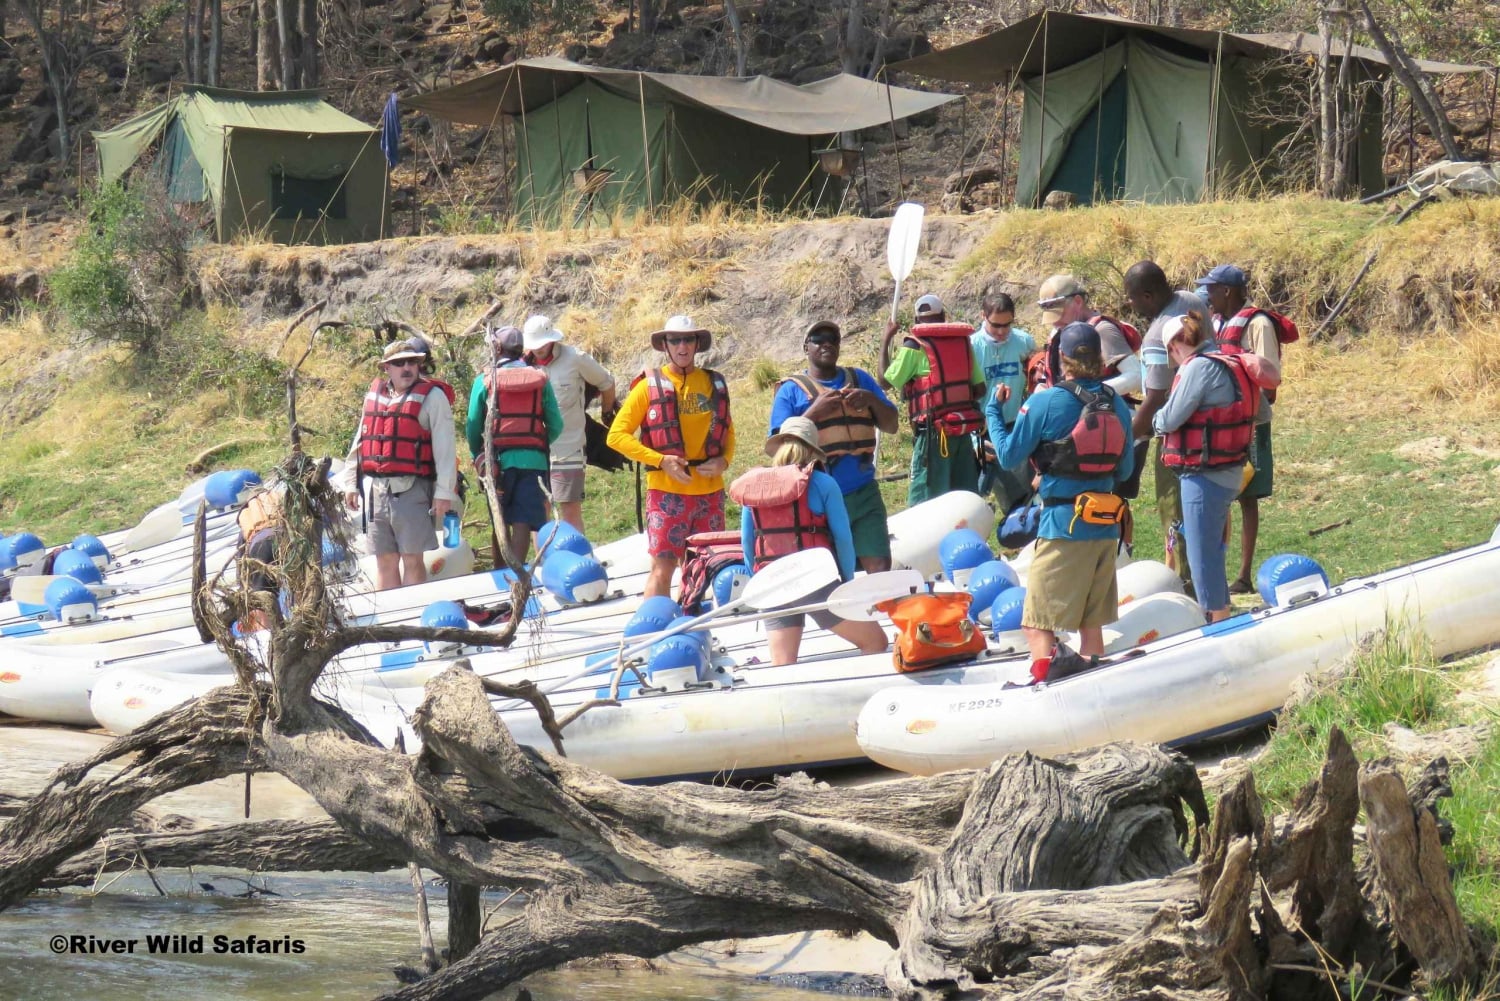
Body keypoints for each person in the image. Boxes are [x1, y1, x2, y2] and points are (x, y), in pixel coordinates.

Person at [992, 323, 1134, 683]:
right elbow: (1126, 468)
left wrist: (994, 412)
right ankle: (1095, 685)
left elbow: (1009, 457)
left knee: (1035, 624)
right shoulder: (1116, 402)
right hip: (1105, 528)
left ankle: (1045, 688)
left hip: (1063, 527)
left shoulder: (1045, 401)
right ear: (1100, 359)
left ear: (1060, 360)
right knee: (1091, 625)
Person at [729, 417, 890, 666]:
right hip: (813, 582)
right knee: (876, 643)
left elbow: (747, 543)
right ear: (814, 450)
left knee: (783, 664)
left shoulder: (755, 488)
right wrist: (845, 584)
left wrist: (759, 582)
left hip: (769, 585)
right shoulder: (823, 483)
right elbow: (844, 540)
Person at [607, 315, 735, 599]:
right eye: (675, 339)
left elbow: (730, 432)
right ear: (665, 345)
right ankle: (653, 629)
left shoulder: (714, 383)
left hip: (709, 493)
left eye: (688, 339)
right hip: (667, 493)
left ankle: (690, 623)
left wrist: (724, 462)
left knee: (703, 567)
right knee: (662, 569)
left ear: (697, 344)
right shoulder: (647, 386)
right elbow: (616, 436)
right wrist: (660, 460)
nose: (682, 345)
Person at [1151, 313, 1267, 622]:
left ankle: (1218, 623)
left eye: (1170, 352)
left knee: (1202, 558)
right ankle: (1219, 616)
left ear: (1175, 345)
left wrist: (1155, 420)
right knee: (1212, 551)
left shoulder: (1198, 367)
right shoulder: (1227, 360)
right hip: (1228, 472)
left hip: (1204, 476)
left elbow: (1170, 418)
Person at [769, 320, 900, 573]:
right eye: (818, 339)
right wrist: (814, 412)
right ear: (806, 347)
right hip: (816, 496)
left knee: (880, 564)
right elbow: (778, 447)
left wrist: (871, 400)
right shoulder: (790, 391)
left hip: (864, 492)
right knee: (829, 571)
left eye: (833, 338)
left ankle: (876, 608)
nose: (826, 343)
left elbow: (892, 425)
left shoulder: (860, 379)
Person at [1197, 264, 1291, 594]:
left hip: (1251, 420)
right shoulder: (1218, 323)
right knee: (1220, 494)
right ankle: (1219, 571)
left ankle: (1244, 573)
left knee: (1247, 497)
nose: (1207, 294)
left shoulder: (1258, 323)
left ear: (1227, 291)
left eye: (1211, 288)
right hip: (1222, 421)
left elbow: (1270, 375)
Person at [340, 339, 459, 590]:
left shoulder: (433, 397)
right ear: (386, 368)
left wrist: (444, 493)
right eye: (398, 363)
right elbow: (361, 441)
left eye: (412, 362)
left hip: (412, 489)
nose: (406, 368)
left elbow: (446, 449)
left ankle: (412, 621)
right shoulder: (375, 396)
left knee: (412, 559)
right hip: (376, 491)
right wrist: (351, 483)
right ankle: (390, 622)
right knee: (385, 560)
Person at [1123, 261, 1208, 578]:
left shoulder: (1158, 335)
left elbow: (1157, 396)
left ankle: (1187, 587)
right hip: (1209, 428)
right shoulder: (1191, 301)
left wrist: (1128, 438)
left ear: (1147, 295)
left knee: (1175, 512)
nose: (1129, 304)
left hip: (1177, 435)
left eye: (1131, 297)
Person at [466, 325, 563, 563]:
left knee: (499, 519)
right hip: (534, 462)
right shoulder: (540, 378)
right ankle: (517, 577)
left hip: (497, 462)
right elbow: (557, 424)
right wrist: (537, 443)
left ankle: (501, 576)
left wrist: (477, 455)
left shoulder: (485, 380)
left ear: (496, 348)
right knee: (522, 522)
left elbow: (472, 425)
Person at [879, 293, 987, 505]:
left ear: (917, 321)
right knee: (963, 499)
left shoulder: (914, 346)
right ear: (943, 317)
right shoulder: (962, 342)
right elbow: (980, 389)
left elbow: (884, 382)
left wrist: (886, 339)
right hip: (961, 432)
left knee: (925, 503)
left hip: (933, 438)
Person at [522, 314, 618, 535]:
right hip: (535, 452)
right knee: (539, 512)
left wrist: (606, 413)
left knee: (570, 511)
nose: (538, 349)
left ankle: (577, 558)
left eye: (542, 344)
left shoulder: (575, 358)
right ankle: (544, 563)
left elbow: (606, 382)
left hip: (568, 448)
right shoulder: (523, 365)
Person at [970, 293, 1036, 513]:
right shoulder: (970, 347)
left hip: (1012, 427)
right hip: (979, 432)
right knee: (974, 498)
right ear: (983, 316)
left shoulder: (1024, 342)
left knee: (1019, 498)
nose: (1001, 331)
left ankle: (1019, 539)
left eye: (1007, 325)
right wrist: (972, 439)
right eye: (996, 325)